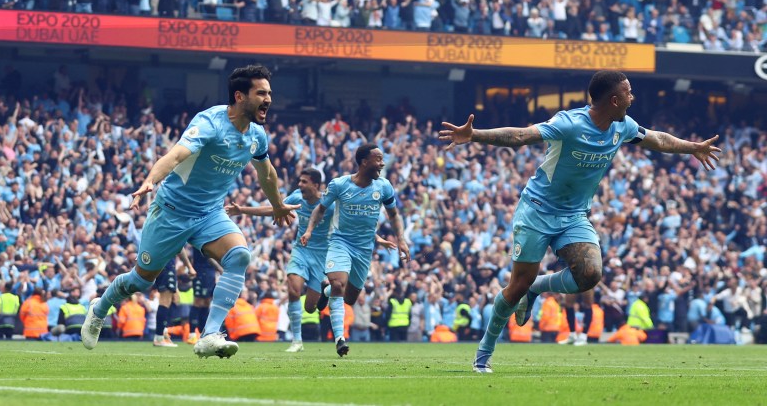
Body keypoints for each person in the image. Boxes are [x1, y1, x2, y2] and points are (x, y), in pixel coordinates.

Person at [438, 70, 722, 373]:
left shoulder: (622, 126)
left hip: (574, 215)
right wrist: (475, 135)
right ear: (614, 99)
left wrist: (694, 147)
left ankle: (536, 287)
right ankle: (484, 354)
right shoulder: (569, 123)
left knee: (590, 274)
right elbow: (521, 136)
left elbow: (657, 139)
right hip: (537, 209)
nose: (632, 97)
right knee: (516, 286)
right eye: (628, 93)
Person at [81, 65, 298, 358]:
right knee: (141, 281)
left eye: (269, 92)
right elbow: (175, 155)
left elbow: (267, 174)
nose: (268, 99)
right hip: (172, 211)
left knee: (240, 255)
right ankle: (100, 306)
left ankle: (209, 335)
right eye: (261, 93)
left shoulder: (257, 135)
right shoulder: (210, 122)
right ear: (239, 96)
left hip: (209, 213)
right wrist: (149, 181)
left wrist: (277, 204)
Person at [302, 143, 410, 357]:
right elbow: (320, 209)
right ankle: (340, 339)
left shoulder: (384, 187)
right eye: (378, 159)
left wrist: (402, 239)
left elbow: (394, 215)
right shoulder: (340, 185)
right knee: (338, 284)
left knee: (349, 298)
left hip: (364, 248)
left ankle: (326, 292)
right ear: (364, 162)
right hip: (340, 242)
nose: (382, 163)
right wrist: (309, 231)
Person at [225, 167, 336, 353]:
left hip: (321, 256)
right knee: (293, 289)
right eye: (299, 181)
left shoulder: (329, 204)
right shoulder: (296, 198)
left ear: (316, 185)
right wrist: (242, 210)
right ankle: (296, 341)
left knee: (310, 308)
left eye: (304, 182)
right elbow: (273, 209)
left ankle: (326, 291)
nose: (300, 185)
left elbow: (347, 222)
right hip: (301, 250)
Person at [151, 250, 194, 348]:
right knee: (165, 300)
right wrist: (189, 266)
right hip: (167, 264)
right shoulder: (171, 234)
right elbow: (180, 248)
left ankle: (162, 333)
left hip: (161, 263)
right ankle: (159, 337)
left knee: (170, 299)